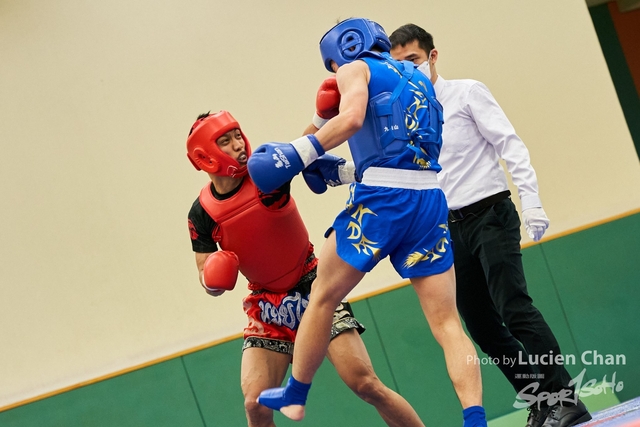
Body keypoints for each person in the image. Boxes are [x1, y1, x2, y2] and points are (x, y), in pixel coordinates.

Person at [248, 18, 488, 427]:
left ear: (342, 48)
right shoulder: (418, 75)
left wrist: (301, 151)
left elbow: (355, 119)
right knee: (447, 323)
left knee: (322, 294)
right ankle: (475, 418)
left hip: (382, 203)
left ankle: (296, 392)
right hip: (429, 200)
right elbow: (398, 150)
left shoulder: (353, 69)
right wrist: (337, 165)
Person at [388, 23, 592, 427]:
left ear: (432, 57)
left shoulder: (467, 92)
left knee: (514, 308)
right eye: (397, 66)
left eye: (412, 61)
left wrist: (531, 202)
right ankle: (541, 400)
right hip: (449, 228)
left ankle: (567, 400)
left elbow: (510, 144)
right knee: (480, 326)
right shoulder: (408, 118)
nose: (407, 72)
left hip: (490, 215)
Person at [186, 110, 426, 427]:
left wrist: (322, 115)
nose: (238, 146)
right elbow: (204, 273)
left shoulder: (263, 177)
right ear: (204, 155)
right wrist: (213, 279)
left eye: (237, 136)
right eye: (226, 141)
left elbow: (302, 149)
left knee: (365, 384)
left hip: (314, 287)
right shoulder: (202, 213)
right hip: (267, 306)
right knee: (255, 404)